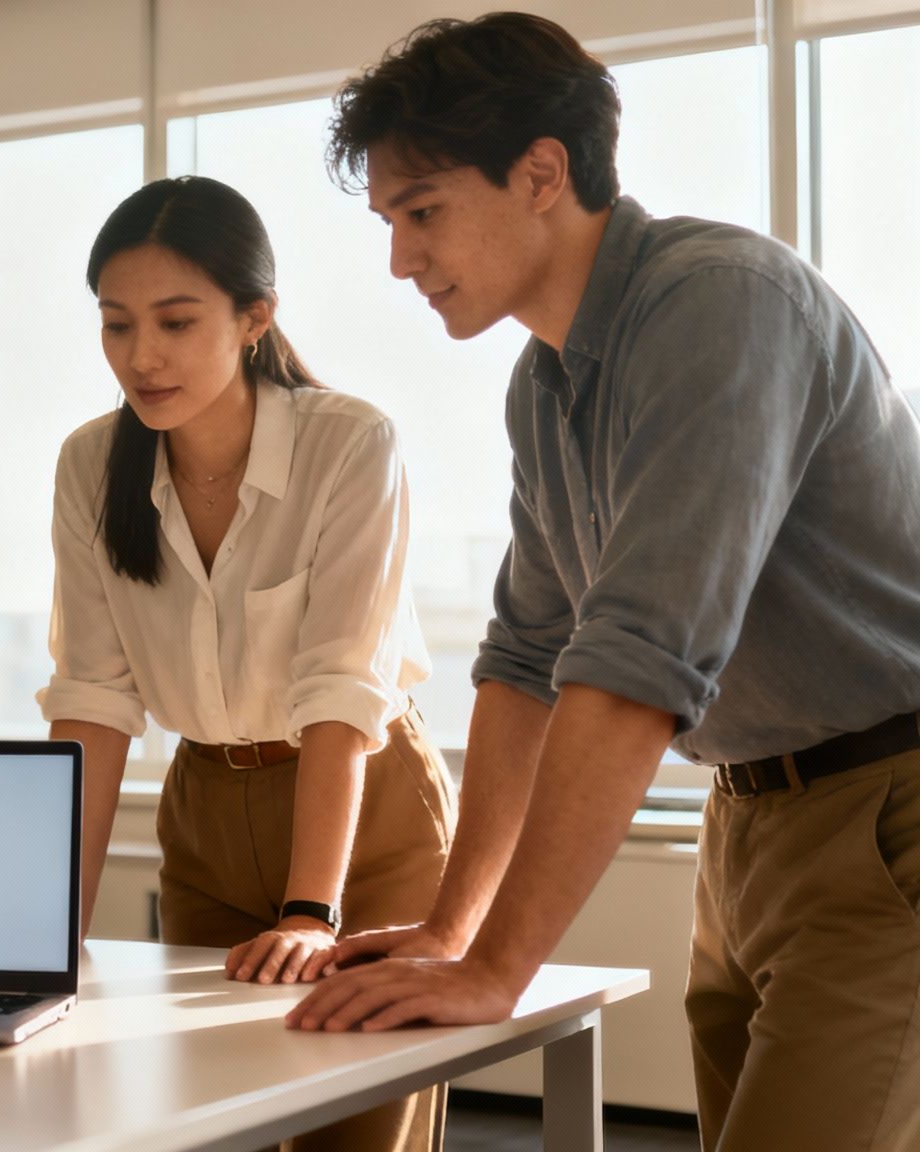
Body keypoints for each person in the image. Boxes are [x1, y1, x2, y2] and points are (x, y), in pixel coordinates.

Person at [286, 13, 920, 1150]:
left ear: (540, 173)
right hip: (745, 823)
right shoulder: (545, 383)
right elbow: (526, 658)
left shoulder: (718, 302)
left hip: (887, 808)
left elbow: (638, 654)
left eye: (420, 210)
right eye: (387, 220)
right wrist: (448, 927)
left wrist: (495, 969)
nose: (397, 258)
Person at [43, 175, 456, 1152]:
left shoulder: (347, 443)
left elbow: (340, 689)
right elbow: (93, 706)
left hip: (364, 811)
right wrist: (45, 931)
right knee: (213, 1124)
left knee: (351, 1130)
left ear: (252, 317)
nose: (140, 357)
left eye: (176, 322)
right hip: (204, 817)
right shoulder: (87, 464)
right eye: (114, 324)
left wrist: (312, 909)